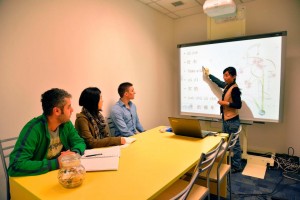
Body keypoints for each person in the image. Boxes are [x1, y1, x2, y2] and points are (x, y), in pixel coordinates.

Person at [8, 88, 86, 177]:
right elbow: (15, 166)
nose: (72, 109)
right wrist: (56, 163)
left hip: (59, 175)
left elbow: (79, 142)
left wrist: (74, 153)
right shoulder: (33, 129)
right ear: (57, 111)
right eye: (68, 107)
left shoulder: (66, 124)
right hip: (37, 179)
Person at [203, 66, 243, 173]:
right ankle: (229, 163)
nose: (225, 78)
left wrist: (225, 103)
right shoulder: (227, 85)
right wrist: (209, 75)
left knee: (235, 145)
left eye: (227, 75)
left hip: (232, 120)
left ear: (233, 76)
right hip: (226, 119)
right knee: (226, 142)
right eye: (224, 75)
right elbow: (219, 82)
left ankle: (237, 166)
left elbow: (238, 105)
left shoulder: (234, 89)